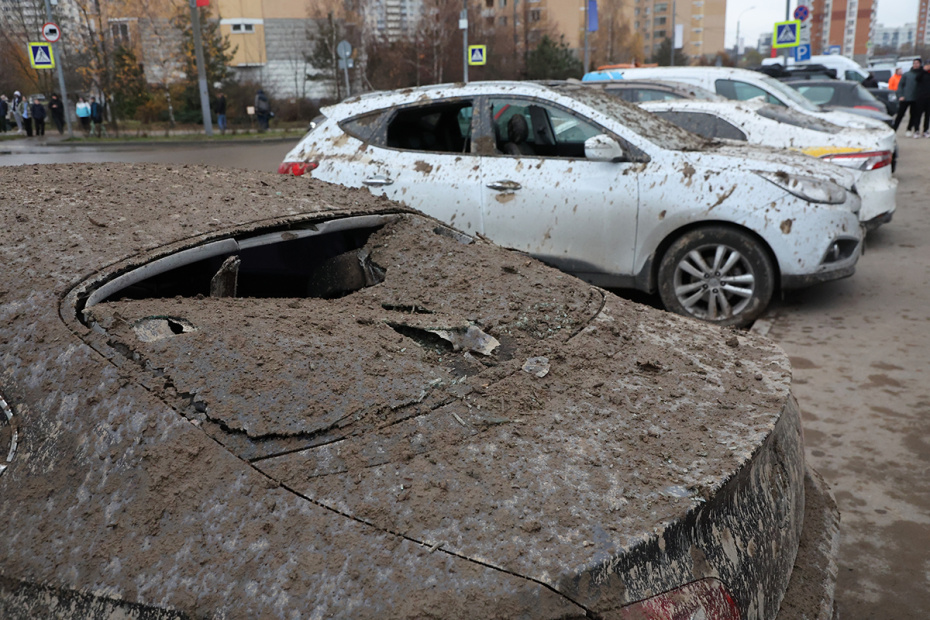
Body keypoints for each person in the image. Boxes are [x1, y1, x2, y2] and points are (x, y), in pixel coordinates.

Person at [893, 59, 924, 136]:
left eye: (917, 63)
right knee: (900, 114)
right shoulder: (907, 74)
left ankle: (909, 129)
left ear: (920, 64)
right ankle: (894, 129)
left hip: (916, 98)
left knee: (913, 115)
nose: (915, 65)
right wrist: (900, 95)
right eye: (914, 63)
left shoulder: (922, 74)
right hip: (905, 98)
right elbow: (900, 86)